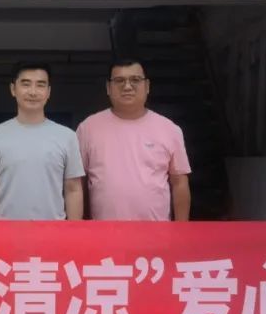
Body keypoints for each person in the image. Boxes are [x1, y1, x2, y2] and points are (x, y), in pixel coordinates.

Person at [76, 57, 191, 221]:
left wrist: (182, 229)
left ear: (147, 86)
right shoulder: (88, 128)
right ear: (108, 87)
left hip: (155, 231)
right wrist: (79, 226)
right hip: (104, 231)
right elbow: (77, 183)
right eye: (119, 80)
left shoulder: (170, 129)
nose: (127, 86)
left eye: (135, 80)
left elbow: (179, 183)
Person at [0, 62, 84, 220]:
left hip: (52, 231)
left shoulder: (67, 137)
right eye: (26, 84)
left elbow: (73, 189)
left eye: (40, 85)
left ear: (49, 92)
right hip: (4, 231)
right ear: (13, 89)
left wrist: (74, 232)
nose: (33, 92)